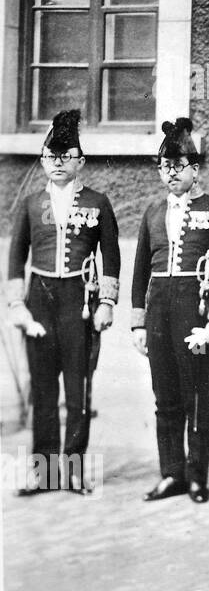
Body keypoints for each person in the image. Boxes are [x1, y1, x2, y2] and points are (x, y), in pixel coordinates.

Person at [6, 109, 120, 495]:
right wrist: (17, 307)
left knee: (77, 388)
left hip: (79, 300)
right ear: (42, 161)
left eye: (65, 156)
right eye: (51, 157)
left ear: (80, 161)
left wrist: (106, 302)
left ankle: (72, 470)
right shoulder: (30, 203)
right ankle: (44, 471)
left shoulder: (98, 202)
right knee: (43, 389)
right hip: (39, 298)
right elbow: (14, 258)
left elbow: (113, 257)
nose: (57, 163)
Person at [131, 119, 209, 504]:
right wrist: (137, 323)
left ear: (195, 168)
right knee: (165, 398)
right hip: (159, 311)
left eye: (180, 166)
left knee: (197, 396)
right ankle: (171, 473)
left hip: (196, 311)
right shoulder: (153, 212)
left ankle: (196, 477)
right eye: (165, 167)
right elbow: (140, 270)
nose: (172, 174)